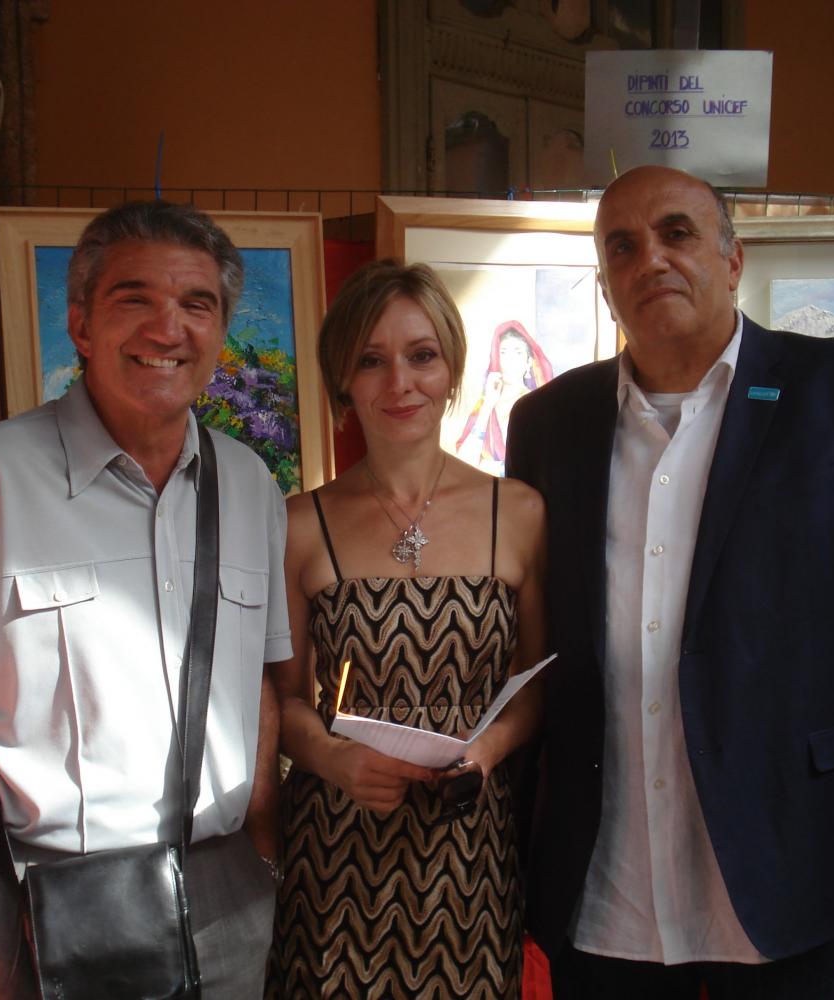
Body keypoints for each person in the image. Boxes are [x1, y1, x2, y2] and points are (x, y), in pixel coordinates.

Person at [506, 165, 834, 999]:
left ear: (732, 259)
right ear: (605, 285)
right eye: (621, 246)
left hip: (786, 864)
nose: (649, 258)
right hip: (602, 883)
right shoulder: (547, 423)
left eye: (676, 233)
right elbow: (532, 645)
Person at [0, 201, 290, 1000]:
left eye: (197, 304)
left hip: (228, 897)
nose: (167, 329)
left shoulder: (249, 484)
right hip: (56, 904)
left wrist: (262, 849)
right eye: (135, 299)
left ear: (219, 332)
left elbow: (261, 683)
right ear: (80, 324)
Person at [266, 260, 547, 999]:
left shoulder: (517, 513)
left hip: (469, 851)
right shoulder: (299, 524)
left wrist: (486, 750)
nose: (399, 383)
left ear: (451, 369)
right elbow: (284, 700)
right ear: (342, 380)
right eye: (371, 360)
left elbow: (535, 686)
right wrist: (334, 760)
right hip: (336, 853)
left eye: (421, 355)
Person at [456, 319, 554, 475]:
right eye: (503, 352)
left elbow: (540, 464)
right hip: (483, 489)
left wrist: (487, 467)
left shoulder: (536, 405)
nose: (510, 359)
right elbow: (462, 466)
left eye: (518, 352)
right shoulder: (485, 403)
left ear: (528, 362)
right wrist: (488, 406)